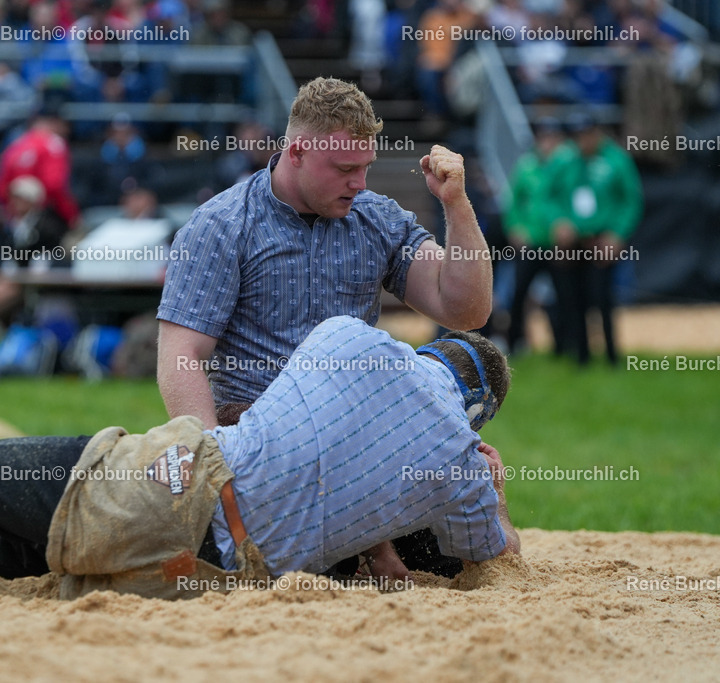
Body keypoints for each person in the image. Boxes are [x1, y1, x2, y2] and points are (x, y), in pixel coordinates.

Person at [0, 316, 520, 600]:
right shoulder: (457, 462)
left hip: (173, 486)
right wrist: (491, 483)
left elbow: (294, 430)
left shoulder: (352, 339)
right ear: (480, 414)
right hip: (197, 579)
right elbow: (497, 559)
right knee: (35, 551)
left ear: (435, 349)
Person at [157, 76, 493, 431]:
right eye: (345, 169)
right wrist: (214, 458)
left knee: (480, 468)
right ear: (298, 152)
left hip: (356, 435)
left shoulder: (378, 219)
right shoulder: (221, 224)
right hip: (255, 434)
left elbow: (465, 309)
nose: (360, 183)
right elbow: (181, 356)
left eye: (366, 167)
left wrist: (456, 203)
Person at [547, 114, 642, 365]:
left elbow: (630, 200)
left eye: (588, 134)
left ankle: (612, 355)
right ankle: (581, 357)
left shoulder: (616, 160)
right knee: (573, 298)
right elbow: (548, 196)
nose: (583, 141)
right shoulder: (564, 159)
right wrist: (558, 221)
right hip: (572, 241)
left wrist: (617, 235)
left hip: (601, 240)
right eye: (578, 136)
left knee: (602, 297)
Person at [0, 176, 69, 368]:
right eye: (14, 198)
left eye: (21, 198)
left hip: (33, 290)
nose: (15, 203)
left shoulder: (48, 228)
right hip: (11, 283)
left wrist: (10, 287)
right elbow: (9, 264)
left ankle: (16, 359)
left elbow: (40, 270)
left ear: (34, 201)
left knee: (4, 309)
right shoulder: (12, 226)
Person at [504, 117, 566, 355]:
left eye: (552, 139)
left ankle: (562, 344)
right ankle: (515, 341)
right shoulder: (527, 166)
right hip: (530, 242)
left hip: (556, 243)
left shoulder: (564, 167)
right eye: (544, 138)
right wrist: (516, 228)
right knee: (519, 293)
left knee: (562, 294)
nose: (547, 144)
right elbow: (514, 203)